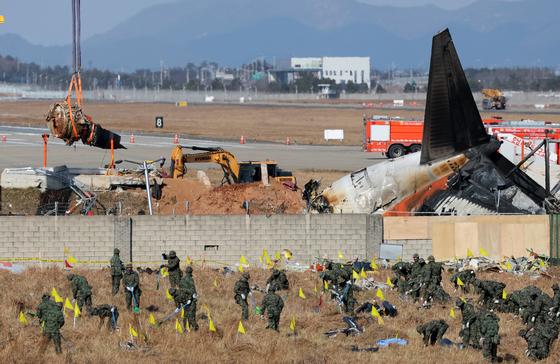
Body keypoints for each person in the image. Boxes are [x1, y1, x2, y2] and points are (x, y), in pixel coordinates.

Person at [179, 266, 199, 330]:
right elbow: (193, 290)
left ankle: (185, 328)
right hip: (191, 300)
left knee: (185, 314)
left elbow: (180, 291)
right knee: (192, 314)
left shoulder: (182, 280)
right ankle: (195, 328)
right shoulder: (190, 279)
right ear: (191, 272)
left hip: (184, 300)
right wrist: (195, 298)